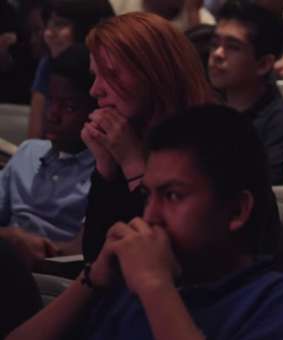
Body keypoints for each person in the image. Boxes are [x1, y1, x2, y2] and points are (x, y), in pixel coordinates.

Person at [7, 105, 283, 340]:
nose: (150, 216)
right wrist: (91, 281)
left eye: (173, 196)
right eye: (149, 195)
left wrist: (154, 286)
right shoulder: (127, 288)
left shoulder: (280, 300)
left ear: (236, 211)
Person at [81, 12, 215, 262]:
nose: (95, 89)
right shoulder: (129, 136)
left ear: (155, 74)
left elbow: (169, 259)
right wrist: (105, 168)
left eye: (111, 75)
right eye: (94, 75)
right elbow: (97, 258)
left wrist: (132, 162)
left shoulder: (212, 140)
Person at [0, 44, 96, 266]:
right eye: (51, 101)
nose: (52, 114)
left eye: (69, 107)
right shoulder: (28, 152)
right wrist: (11, 237)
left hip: (55, 278)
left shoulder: (103, 171)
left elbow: (80, 251)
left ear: (96, 110)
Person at [208, 0, 283, 184]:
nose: (217, 54)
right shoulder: (205, 110)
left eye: (233, 47)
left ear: (264, 64)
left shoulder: (282, 126)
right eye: (215, 43)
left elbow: (262, 192)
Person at [29, 0, 114, 138]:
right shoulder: (48, 63)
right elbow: (34, 137)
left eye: (60, 24)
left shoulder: (110, 66)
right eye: (47, 25)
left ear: (87, 28)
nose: (48, 34)